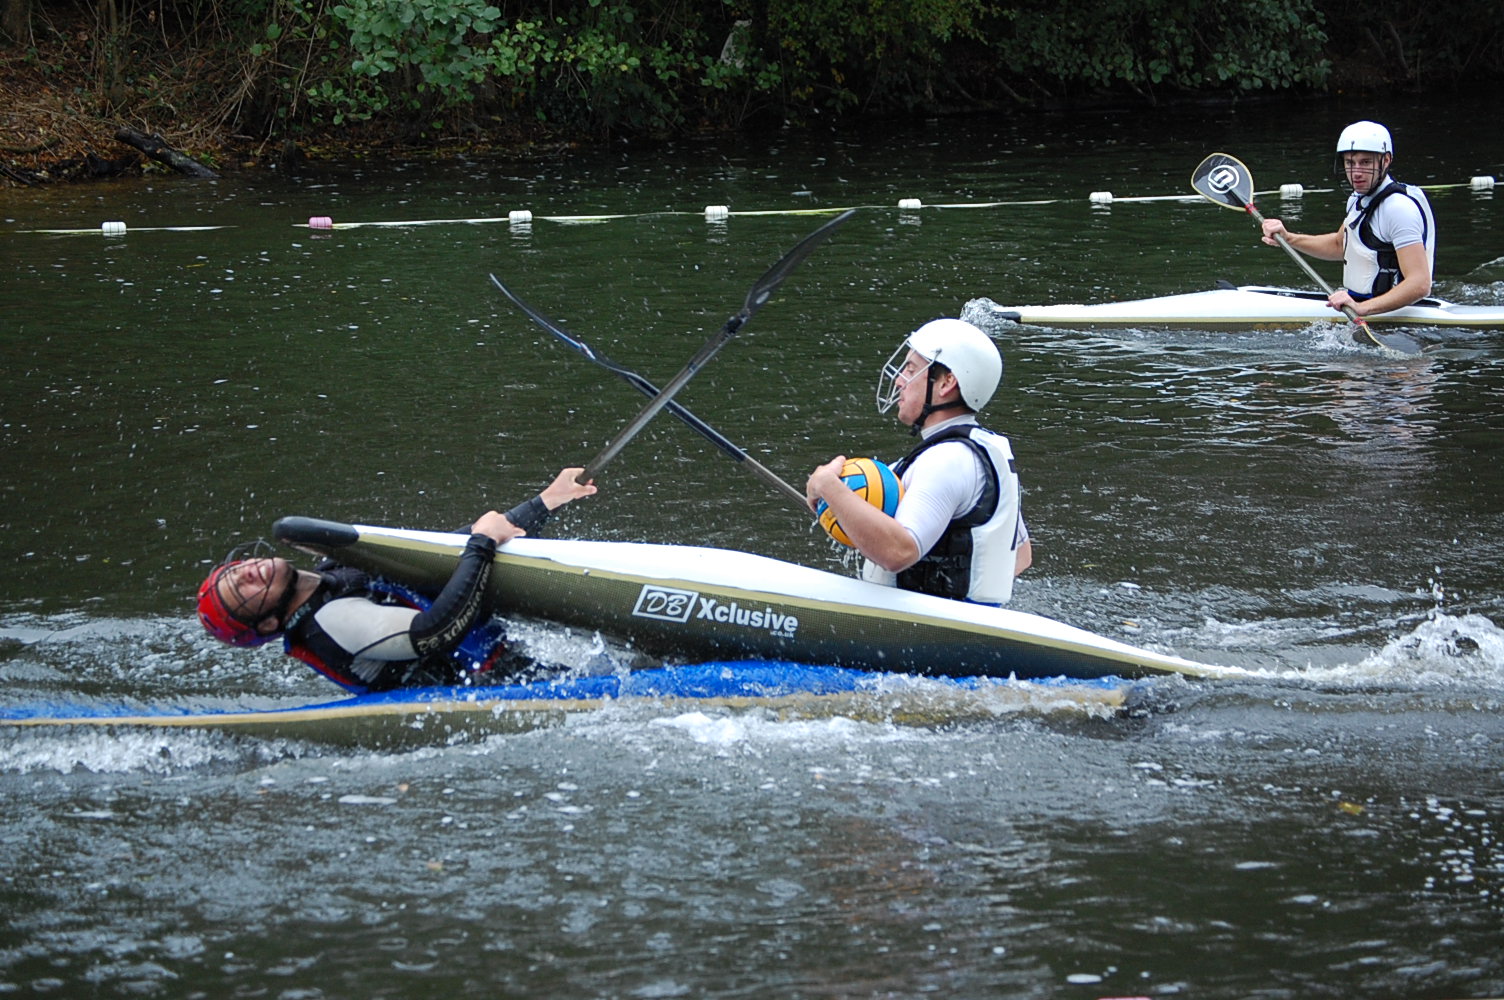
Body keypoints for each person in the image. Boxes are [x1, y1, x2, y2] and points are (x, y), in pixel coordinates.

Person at [196, 468, 597, 692]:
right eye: (241, 589)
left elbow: (446, 556)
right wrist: (484, 542)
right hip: (491, 688)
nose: (247, 572)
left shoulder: (333, 574)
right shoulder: (330, 622)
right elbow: (434, 632)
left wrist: (547, 500)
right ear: (267, 624)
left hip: (509, 668)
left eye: (237, 571)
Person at [806, 318, 1031, 607]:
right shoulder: (981, 452)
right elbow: (1020, 554)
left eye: (912, 369)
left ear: (947, 383)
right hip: (961, 628)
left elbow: (898, 553)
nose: (899, 379)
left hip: (929, 636)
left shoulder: (946, 461)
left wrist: (828, 487)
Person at [1259, 120, 1436, 317]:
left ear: (1386, 161)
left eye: (1366, 162)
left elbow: (1420, 283)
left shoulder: (1399, 209)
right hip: (1362, 303)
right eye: (1350, 163)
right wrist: (1289, 238)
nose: (1356, 172)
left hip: (1397, 315)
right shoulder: (1358, 199)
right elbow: (1339, 245)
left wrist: (1361, 309)